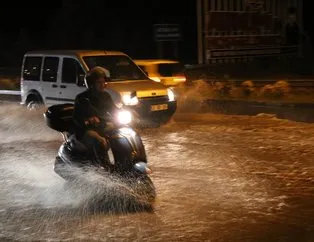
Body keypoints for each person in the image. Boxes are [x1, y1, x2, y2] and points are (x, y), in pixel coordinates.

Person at [72, 66, 117, 165]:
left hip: (102, 126)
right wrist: (88, 120)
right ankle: (100, 167)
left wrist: (129, 113)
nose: (102, 85)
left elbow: (114, 110)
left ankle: (124, 163)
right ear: (91, 83)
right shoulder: (82, 98)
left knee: (121, 135)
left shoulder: (106, 96)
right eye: (99, 82)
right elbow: (77, 118)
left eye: (103, 82)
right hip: (87, 129)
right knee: (99, 141)